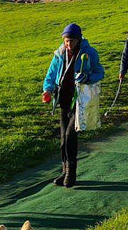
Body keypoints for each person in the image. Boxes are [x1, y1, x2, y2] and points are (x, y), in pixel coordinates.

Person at [41, 23, 104, 188]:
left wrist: (88, 77)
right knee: (62, 139)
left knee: (70, 135)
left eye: (72, 41)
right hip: (63, 98)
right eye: (66, 41)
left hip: (80, 99)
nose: (68, 44)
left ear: (79, 39)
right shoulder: (60, 53)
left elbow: (100, 72)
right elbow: (51, 73)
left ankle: (71, 173)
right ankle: (64, 170)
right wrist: (47, 90)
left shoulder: (89, 53)